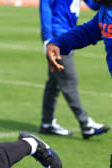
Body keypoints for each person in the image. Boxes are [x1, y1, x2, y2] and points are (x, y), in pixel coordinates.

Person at [38, 0, 108, 139]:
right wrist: (49, 39)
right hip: (59, 36)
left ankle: (47, 123)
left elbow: (94, 5)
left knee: (55, 83)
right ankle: (85, 123)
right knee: (69, 81)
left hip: (67, 34)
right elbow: (45, 9)